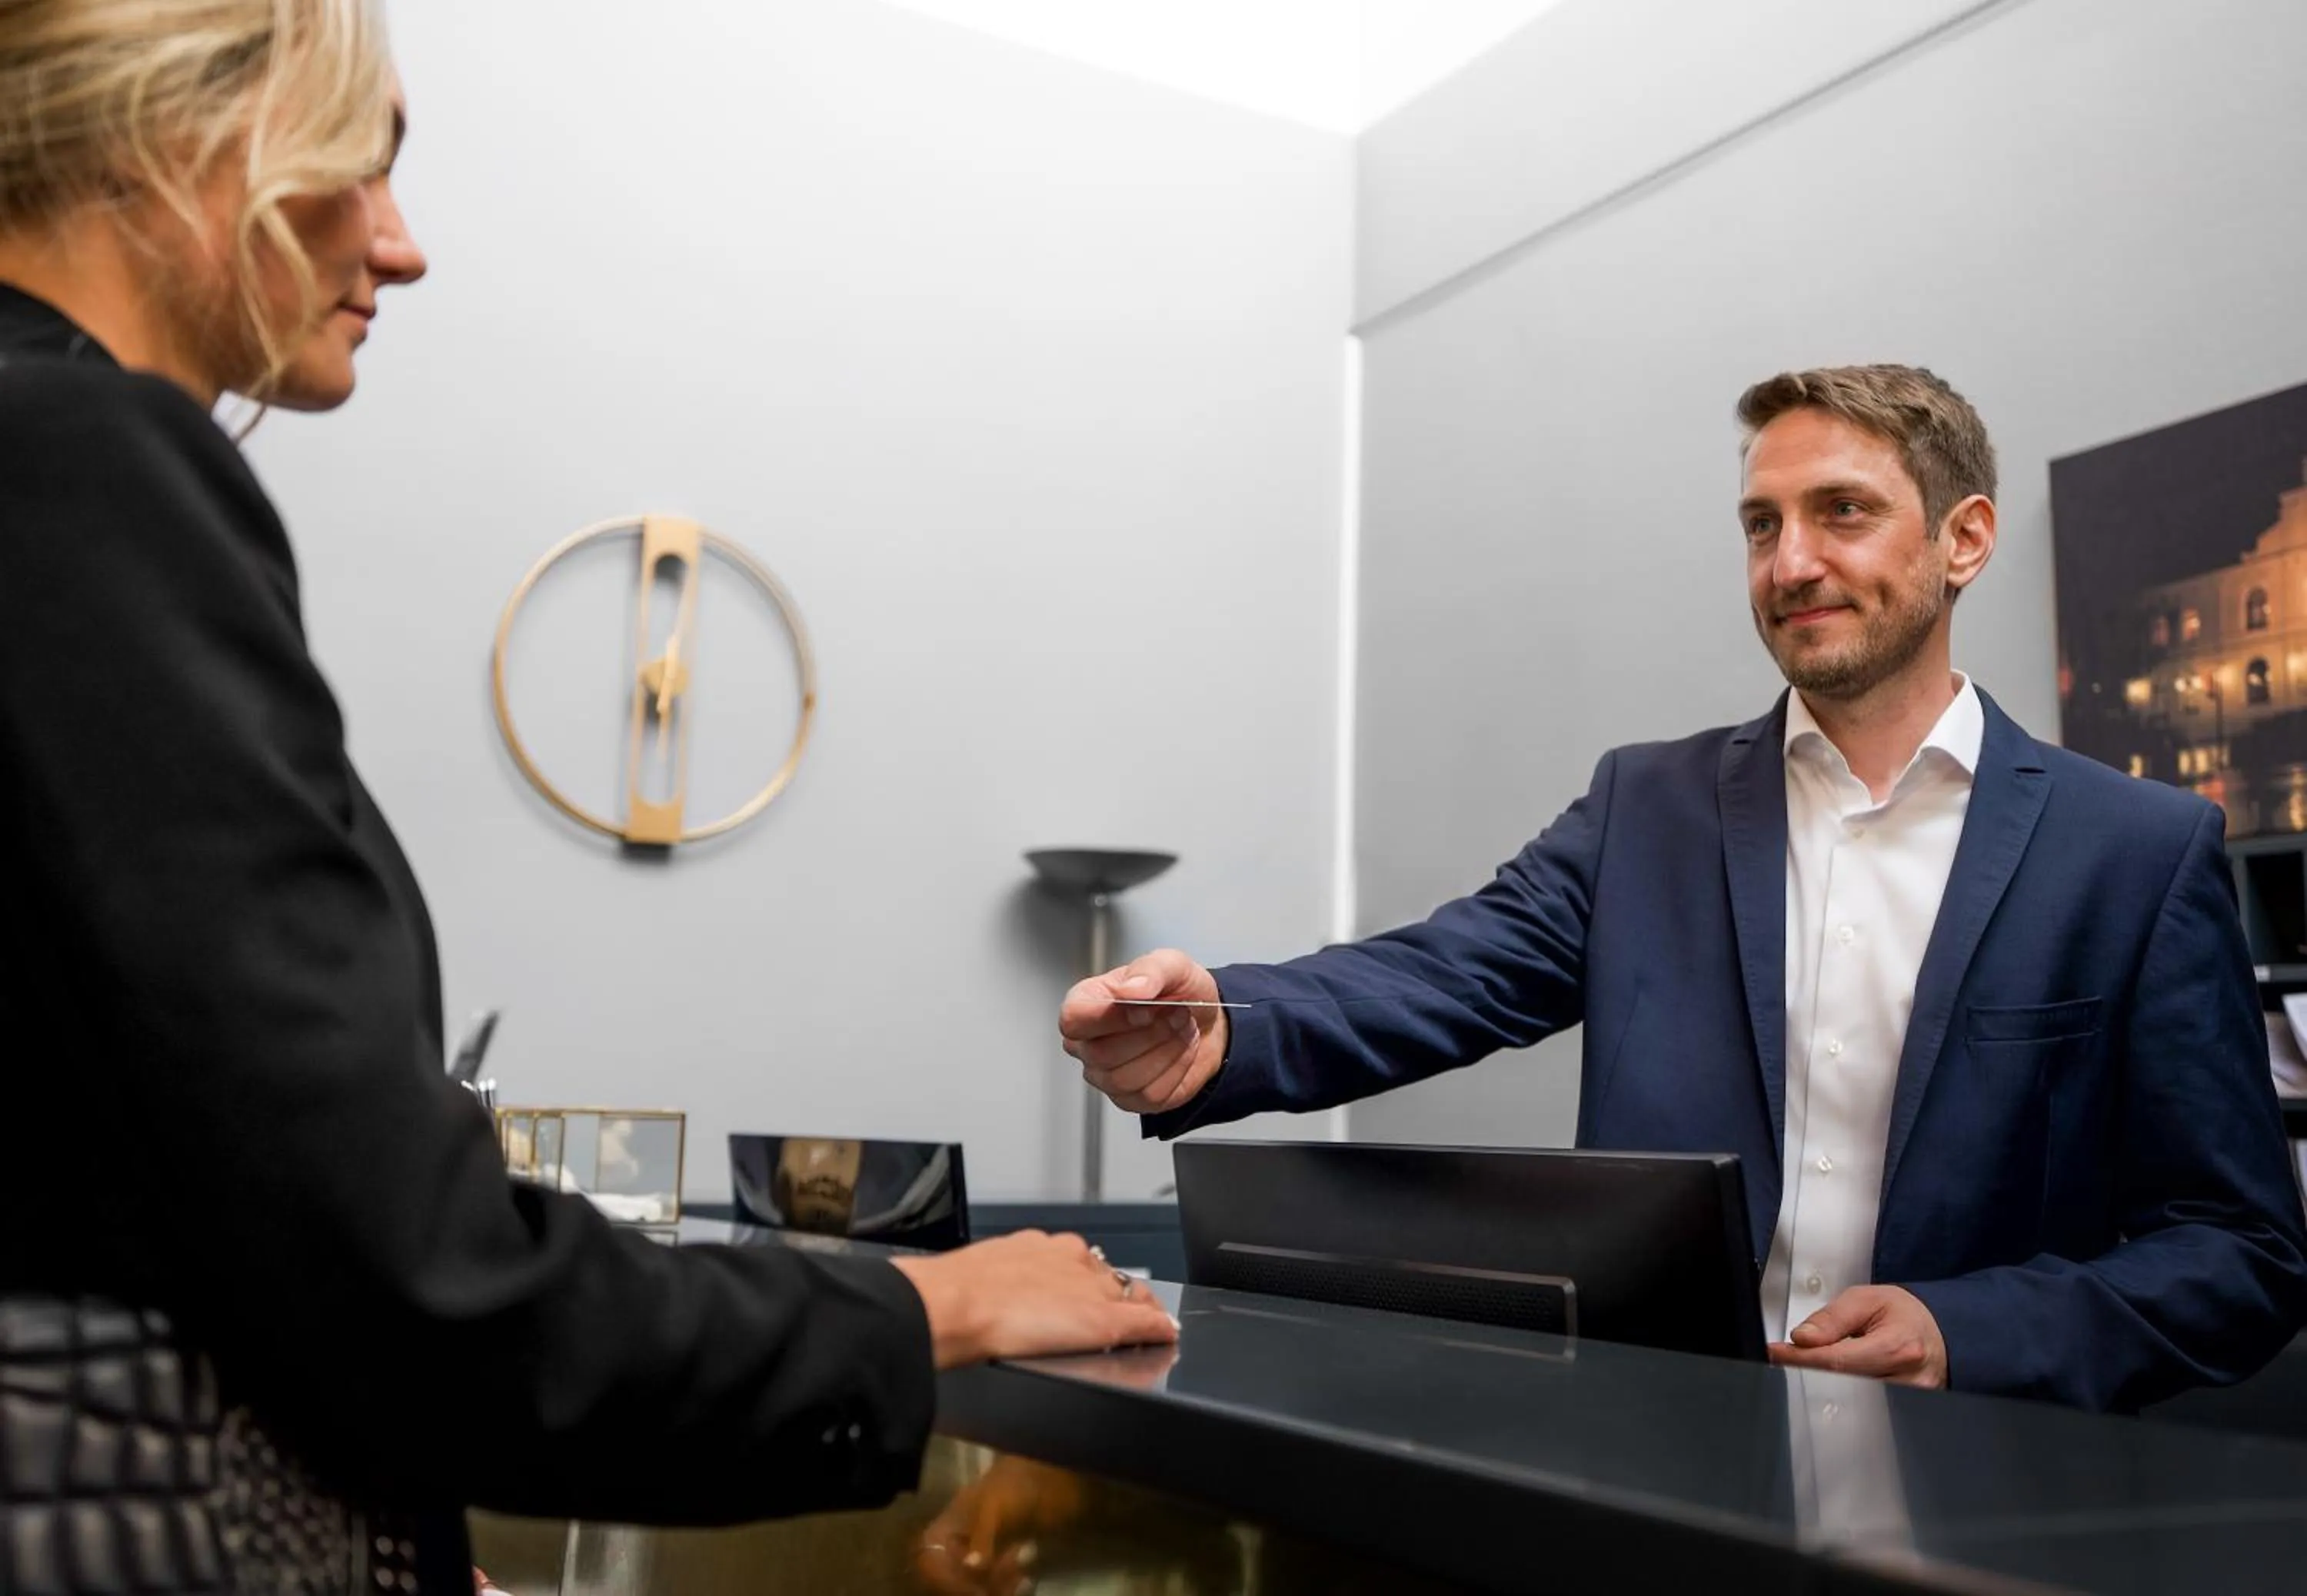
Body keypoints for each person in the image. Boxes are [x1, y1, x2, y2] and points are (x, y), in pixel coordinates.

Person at [0, 3, 1172, 1591]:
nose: (403, 246)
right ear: (174, 134)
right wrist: (938, 1302)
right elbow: (417, 1285)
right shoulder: (79, 460)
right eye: (361, 162)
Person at [1062, 363, 2307, 1413]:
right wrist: (1222, 1024)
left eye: (1842, 512)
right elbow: (1443, 973)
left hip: (1984, 1495)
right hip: (1667, 1462)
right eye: (1762, 526)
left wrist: (1963, 1332)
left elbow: (2240, 1253)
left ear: (1964, 539)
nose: (1792, 562)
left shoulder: (2135, 853)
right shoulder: (1645, 809)